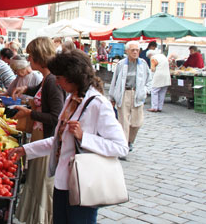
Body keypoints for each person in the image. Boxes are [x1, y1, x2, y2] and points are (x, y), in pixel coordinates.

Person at [9, 50, 128, 224]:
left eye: (59, 77)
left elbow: (121, 147)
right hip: (62, 181)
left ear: (72, 77)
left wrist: (84, 137)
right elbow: (59, 140)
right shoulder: (71, 100)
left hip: (83, 183)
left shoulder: (98, 104)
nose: (56, 81)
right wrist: (25, 150)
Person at [10, 37, 65, 224]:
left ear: (39, 57)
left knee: (42, 185)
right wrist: (27, 88)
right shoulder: (47, 78)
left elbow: (56, 117)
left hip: (46, 139)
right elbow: (41, 91)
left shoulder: (52, 81)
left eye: (31, 55)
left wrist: (30, 113)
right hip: (40, 136)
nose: (29, 59)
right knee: (36, 183)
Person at [109, 40, 151, 153]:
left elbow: (149, 79)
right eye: (133, 50)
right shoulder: (121, 64)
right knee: (124, 122)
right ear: (127, 51)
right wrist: (112, 97)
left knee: (137, 122)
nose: (135, 52)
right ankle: (123, 146)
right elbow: (115, 81)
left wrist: (145, 90)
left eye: (137, 50)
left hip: (137, 94)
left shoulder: (143, 64)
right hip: (124, 94)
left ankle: (130, 140)